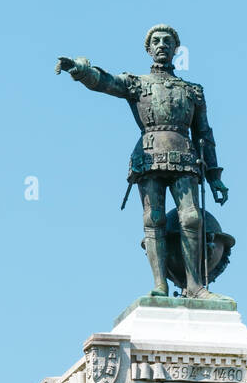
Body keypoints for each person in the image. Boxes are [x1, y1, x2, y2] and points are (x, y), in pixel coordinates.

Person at [56, 25, 228, 297]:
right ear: (148, 49)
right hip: (149, 155)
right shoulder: (137, 83)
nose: (162, 45)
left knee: (192, 218)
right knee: (154, 217)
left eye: (167, 41)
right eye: (156, 41)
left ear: (176, 49)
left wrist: (215, 175)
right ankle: (160, 284)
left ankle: (195, 286)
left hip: (185, 156)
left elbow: (204, 133)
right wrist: (81, 70)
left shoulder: (193, 91)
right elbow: (106, 81)